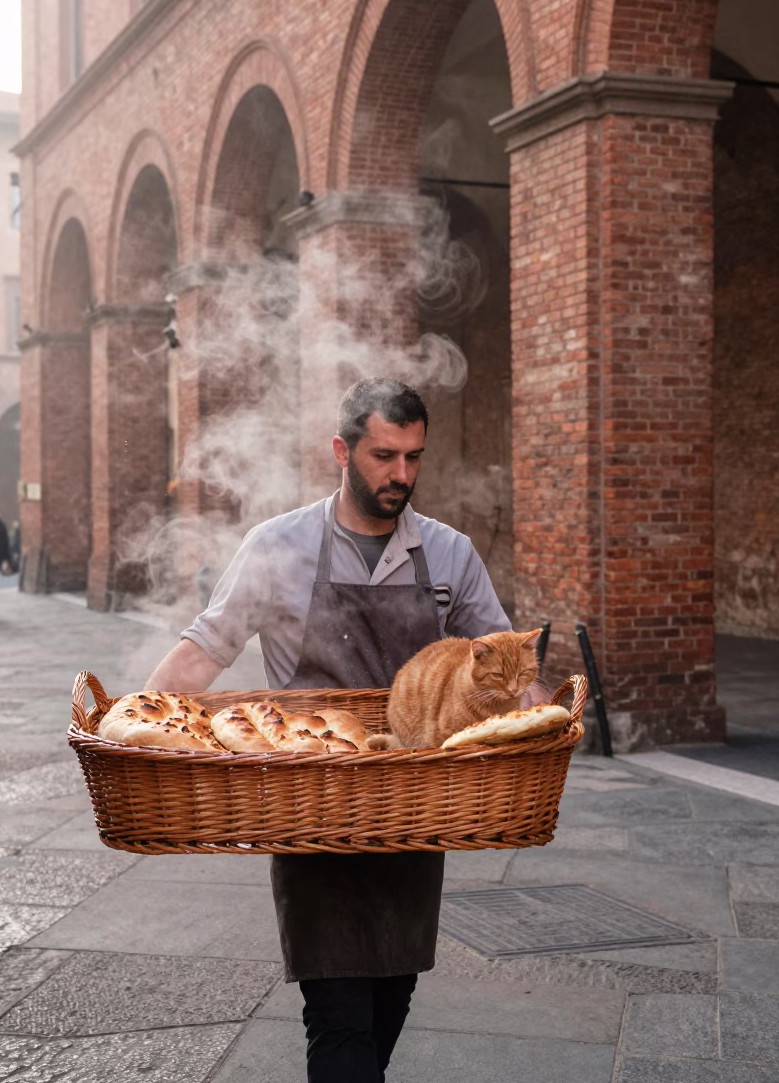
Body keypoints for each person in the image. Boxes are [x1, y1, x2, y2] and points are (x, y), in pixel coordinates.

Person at [147, 378, 511, 1082]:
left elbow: (501, 659)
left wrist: (544, 717)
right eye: (384, 456)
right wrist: (135, 718)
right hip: (312, 815)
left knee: (391, 1000)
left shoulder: (450, 553)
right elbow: (205, 647)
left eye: (413, 457)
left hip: (411, 817)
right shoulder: (277, 546)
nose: (401, 474)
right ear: (341, 452)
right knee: (339, 1018)